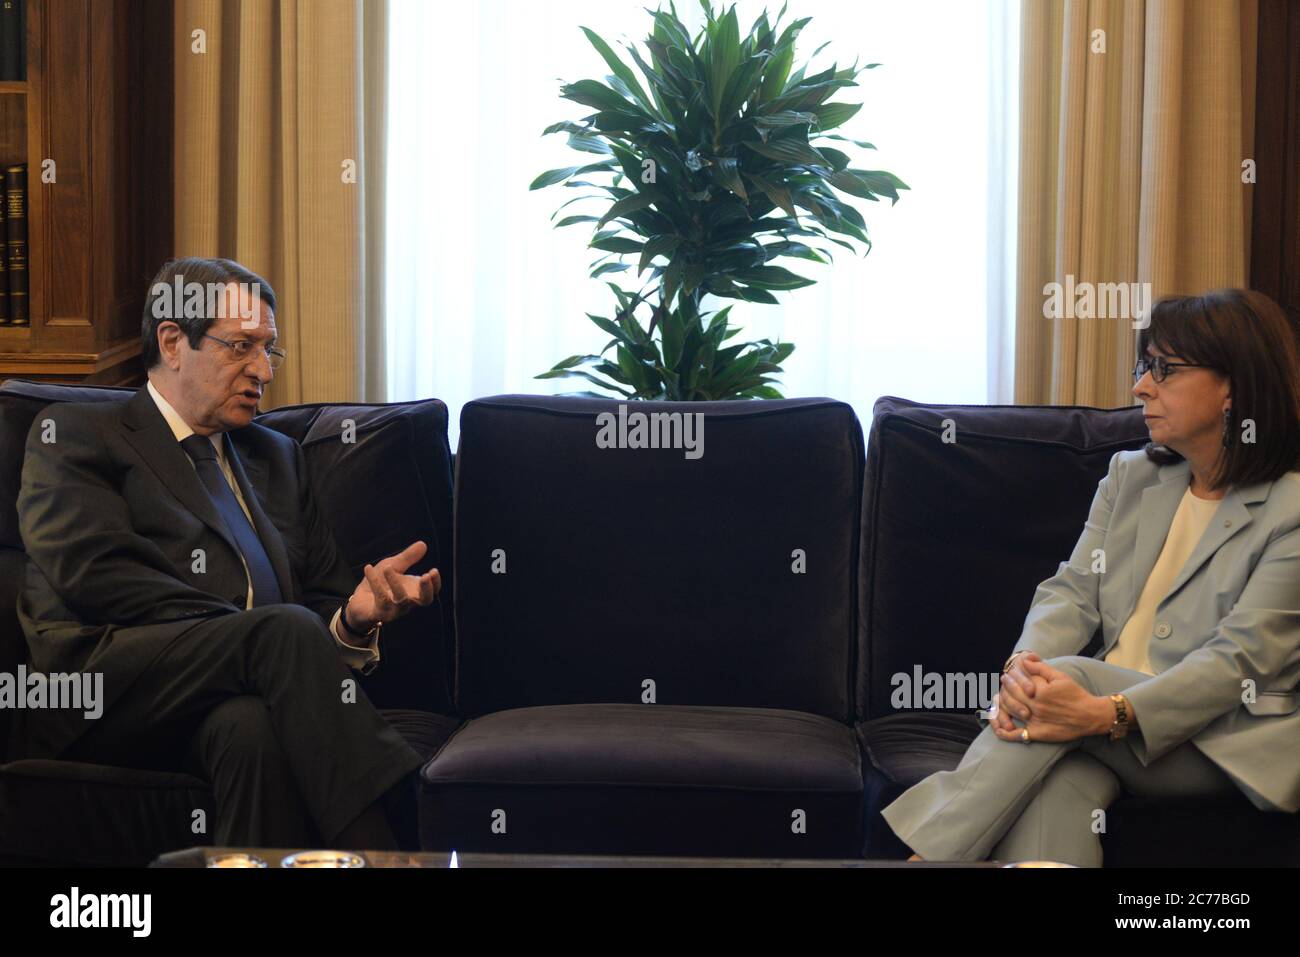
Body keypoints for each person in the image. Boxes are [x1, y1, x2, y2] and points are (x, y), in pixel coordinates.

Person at [15, 257, 440, 851]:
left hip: (231, 695)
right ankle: (406, 841)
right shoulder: (79, 434)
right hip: (103, 684)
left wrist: (353, 619)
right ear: (172, 341)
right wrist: (252, 640)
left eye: (269, 349)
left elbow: (315, 600)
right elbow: (96, 574)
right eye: (241, 346)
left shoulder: (277, 458)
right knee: (282, 634)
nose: (262, 370)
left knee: (250, 731)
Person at [882, 288, 1300, 866]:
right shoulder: (1131, 478)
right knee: (1060, 779)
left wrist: (1106, 712)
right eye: (1143, 366)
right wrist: (1021, 672)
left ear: (1232, 385)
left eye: (1164, 369)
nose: (1140, 387)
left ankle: (923, 860)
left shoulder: (1290, 509)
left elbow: (1239, 661)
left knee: (1070, 679)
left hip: (1222, 738)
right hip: (1102, 731)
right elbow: (1073, 592)